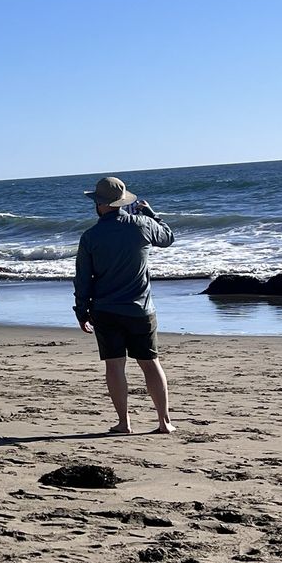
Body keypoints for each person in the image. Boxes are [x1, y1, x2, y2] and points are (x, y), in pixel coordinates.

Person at [73, 177, 176, 434]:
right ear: (121, 202)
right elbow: (168, 238)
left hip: (105, 309)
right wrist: (152, 214)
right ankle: (164, 421)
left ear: (98, 203)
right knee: (150, 363)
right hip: (140, 308)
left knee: (115, 366)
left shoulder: (91, 236)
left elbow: (83, 277)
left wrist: (81, 309)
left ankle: (124, 422)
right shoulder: (142, 225)